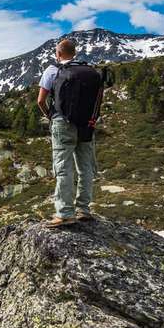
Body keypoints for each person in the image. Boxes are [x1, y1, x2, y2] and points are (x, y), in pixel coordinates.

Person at [36, 38, 103, 228]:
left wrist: (51, 116)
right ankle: (84, 210)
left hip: (62, 123)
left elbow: (40, 100)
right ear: (74, 53)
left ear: (58, 53)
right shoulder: (90, 72)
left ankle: (65, 213)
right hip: (86, 124)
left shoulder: (52, 70)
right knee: (86, 167)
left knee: (63, 167)